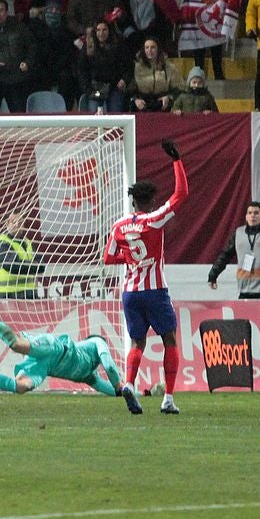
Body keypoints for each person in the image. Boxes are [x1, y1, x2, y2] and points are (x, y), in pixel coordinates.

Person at [103, 139, 189, 415]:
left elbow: (108, 257)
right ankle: (168, 399)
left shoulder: (119, 225)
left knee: (137, 342)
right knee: (170, 340)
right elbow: (181, 194)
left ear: (132, 200)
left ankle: (129, 383)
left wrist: (130, 259)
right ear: (151, 201)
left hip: (130, 292)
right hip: (155, 291)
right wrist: (176, 160)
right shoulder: (154, 220)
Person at [0, 299, 127, 403]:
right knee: (16, 344)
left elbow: (116, 393)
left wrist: (131, 393)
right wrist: (119, 383)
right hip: (55, 347)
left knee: (20, 387)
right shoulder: (96, 342)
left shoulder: (90, 377)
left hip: (45, 367)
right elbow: (110, 367)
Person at [208, 201, 260, 298]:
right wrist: (213, 275)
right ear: (246, 216)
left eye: (256, 213)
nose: (252, 216)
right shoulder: (238, 233)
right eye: (250, 213)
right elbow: (225, 255)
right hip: (244, 291)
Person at [0, 211, 43, 300]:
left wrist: (26, 265)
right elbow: (13, 266)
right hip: (9, 295)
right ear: (7, 224)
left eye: (20, 222)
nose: (17, 225)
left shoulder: (27, 242)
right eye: (14, 222)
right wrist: (34, 265)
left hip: (30, 294)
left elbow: (42, 265)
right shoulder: (1, 243)